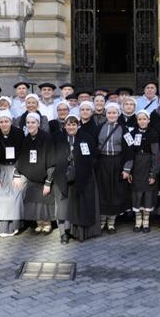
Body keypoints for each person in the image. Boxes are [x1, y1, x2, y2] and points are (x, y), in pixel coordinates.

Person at [52, 115, 101, 243]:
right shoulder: (58, 138)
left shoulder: (86, 138)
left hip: (82, 176)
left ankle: (77, 232)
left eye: (74, 124)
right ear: (64, 126)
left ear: (78, 125)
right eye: (68, 124)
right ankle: (64, 233)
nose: (71, 127)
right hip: (62, 176)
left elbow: (94, 156)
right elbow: (53, 157)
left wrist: (82, 166)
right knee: (63, 206)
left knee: (77, 205)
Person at [0, 110, 25, 237]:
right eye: (1, 122)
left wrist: (17, 174)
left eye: (6, 121)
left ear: (11, 121)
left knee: (15, 193)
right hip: (0, 169)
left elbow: (22, 155)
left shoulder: (19, 134)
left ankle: (13, 226)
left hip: (16, 169)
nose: (4, 124)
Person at [17, 113, 56, 234]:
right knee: (34, 202)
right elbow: (22, 158)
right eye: (28, 123)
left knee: (45, 202)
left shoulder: (47, 137)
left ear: (38, 123)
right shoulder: (26, 139)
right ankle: (39, 223)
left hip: (44, 177)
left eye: (33, 122)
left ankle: (47, 223)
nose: (30, 125)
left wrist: (48, 182)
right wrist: (18, 173)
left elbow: (51, 161)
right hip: (32, 178)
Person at [95, 103, 130, 233]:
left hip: (117, 162)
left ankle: (111, 222)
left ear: (118, 114)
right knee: (102, 191)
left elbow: (130, 149)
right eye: (109, 113)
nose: (111, 115)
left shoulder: (124, 129)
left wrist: (127, 168)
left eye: (114, 113)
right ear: (106, 114)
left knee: (114, 192)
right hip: (102, 163)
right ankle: (102, 221)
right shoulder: (99, 128)